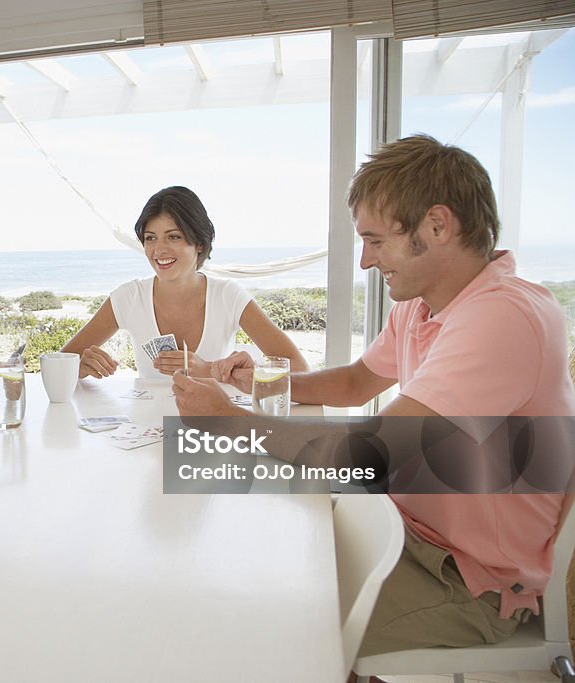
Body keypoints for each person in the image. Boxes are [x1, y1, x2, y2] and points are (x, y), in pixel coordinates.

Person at [173, 134, 575, 665]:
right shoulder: (424, 302)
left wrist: (227, 420)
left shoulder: (502, 319)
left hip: (466, 578)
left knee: (255, 626)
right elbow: (356, 382)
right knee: (236, 556)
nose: (364, 261)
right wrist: (261, 386)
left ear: (437, 226)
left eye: (376, 240)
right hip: (405, 528)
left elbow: (366, 458)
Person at [61, 186, 308, 380]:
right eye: (151, 238)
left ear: (199, 242)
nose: (159, 250)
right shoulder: (128, 297)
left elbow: (299, 369)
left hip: (210, 429)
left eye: (174, 237)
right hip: (147, 430)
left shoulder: (228, 296)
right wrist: (79, 369)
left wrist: (209, 369)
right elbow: (60, 364)